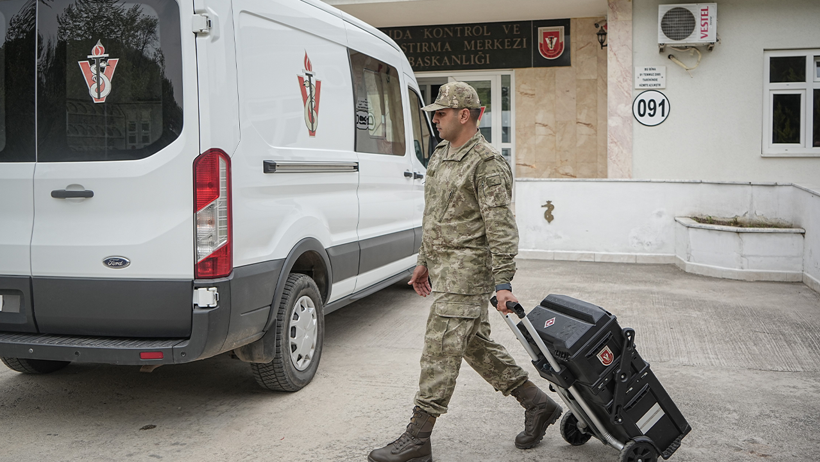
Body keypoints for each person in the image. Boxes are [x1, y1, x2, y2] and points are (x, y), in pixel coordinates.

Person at [368, 82, 562, 462]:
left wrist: (504, 282)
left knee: (440, 347)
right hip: (444, 271)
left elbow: (501, 227)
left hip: (470, 275)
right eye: (434, 113)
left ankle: (418, 437)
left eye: (441, 113)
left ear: (465, 114)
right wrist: (424, 259)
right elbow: (435, 215)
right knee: (473, 345)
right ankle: (537, 403)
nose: (435, 119)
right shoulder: (441, 155)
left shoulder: (487, 163)